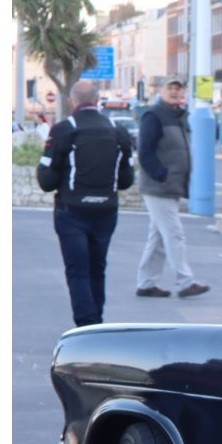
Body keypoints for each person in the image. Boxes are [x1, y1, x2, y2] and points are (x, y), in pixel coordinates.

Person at [36, 79, 135, 327]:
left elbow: (46, 180)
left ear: (71, 102)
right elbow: (126, 180)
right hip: (106, 210)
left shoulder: (63, 130)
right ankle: (96, 323)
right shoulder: (118, 132)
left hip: (72, 211)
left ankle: (86, 324)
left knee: (77, 270)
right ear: (97, 100)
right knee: (97, 268)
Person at [134, 76, 209, 298]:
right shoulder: (154, 116)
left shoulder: (179, 117)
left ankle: (146, 283)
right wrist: (162, 175)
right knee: (174, 233)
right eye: (171, 88)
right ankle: (185, 282)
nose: (175, 92)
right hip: (159, 186)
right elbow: (145, 151)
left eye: (179, 89)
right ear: (161, 91)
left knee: (157, 237)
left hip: (170, 185)